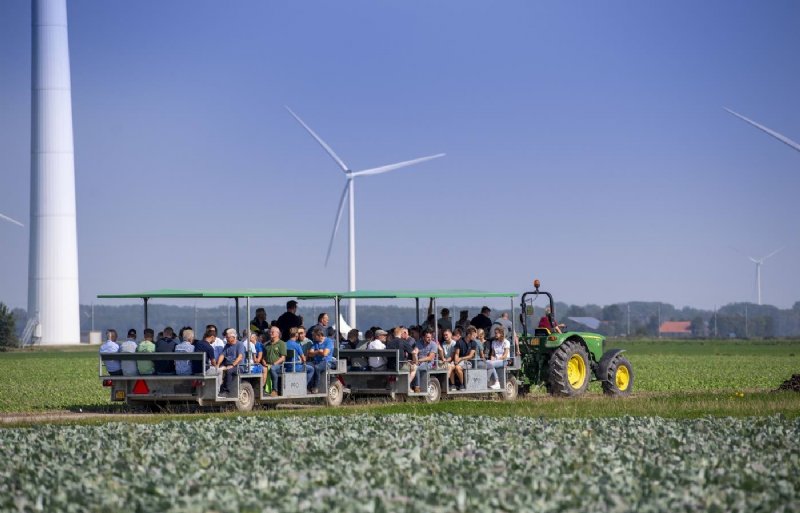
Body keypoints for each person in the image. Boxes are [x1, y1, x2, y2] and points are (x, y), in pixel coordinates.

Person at [306, 327, 335, 393]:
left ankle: (315, 387)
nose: (312, 337)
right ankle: (307, 387)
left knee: (317, 368)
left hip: (327, 362)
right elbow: (310, 354)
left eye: (314, 335)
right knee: (307, 366)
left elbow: (325, 353)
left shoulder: (328, 341)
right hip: (316, 361)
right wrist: (318, 351)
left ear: (319, 335)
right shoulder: (315, 342)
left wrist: (315, 352)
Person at [216, 328, 244, 396]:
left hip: (238, 366)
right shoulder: (227, 345)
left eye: (228, 337)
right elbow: (222, 355)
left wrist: (233, 365)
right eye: (226, 337)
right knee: (217, 370)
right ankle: (218, 389)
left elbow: (240, 357)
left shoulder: (240, 344)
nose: (226, 339)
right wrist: (218, 364)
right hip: (227, 365)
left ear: (233, 337)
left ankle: (227, 391)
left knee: (229, 371)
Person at [264, 326, 287, 397]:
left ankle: (275, 390)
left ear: (277, 333)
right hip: (267, 364)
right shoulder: (267, 344)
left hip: (278, 365)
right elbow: (264, 356)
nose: (270, 333)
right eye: (270, 332)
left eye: (272, 332)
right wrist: (264, 361)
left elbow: (283, 358)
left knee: (273, 369)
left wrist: (274, 363)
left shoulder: (281, 343)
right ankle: (263, 390)